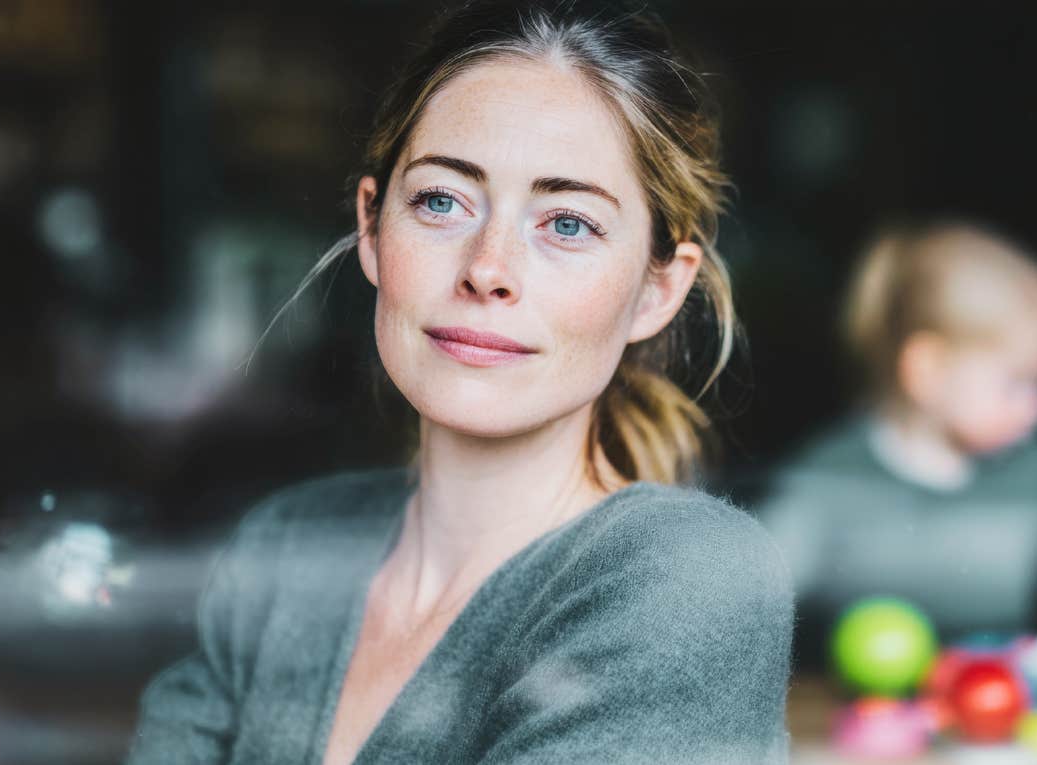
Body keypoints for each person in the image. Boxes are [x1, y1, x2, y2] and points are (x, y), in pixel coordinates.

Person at [125, 2, 794, 763]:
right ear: (374, 228)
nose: (487, 269)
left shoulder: (689, 582)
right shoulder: (284, 550)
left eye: (567, 222)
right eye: (442, 201)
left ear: (658, 289)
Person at [751, 219, 1037, 669]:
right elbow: (755, 591)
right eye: (1017, 385)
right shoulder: (831, 479)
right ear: (928, 370)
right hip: (853, 720)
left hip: (1000, 711)